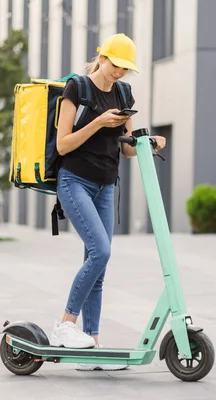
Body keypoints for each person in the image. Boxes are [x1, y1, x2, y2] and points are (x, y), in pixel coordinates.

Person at [48, 33, 167, 371]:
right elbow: (63, 146)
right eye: (117, 66)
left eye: (125, 69)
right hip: (75, 183)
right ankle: (65, 326)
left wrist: (149, 140)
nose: (119, 74)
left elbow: (127, 149)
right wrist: (100, 122)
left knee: (99, 267)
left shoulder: (124, 93)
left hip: (105, 188)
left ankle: (92, 347)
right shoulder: (77, 89)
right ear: (102, 58)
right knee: (101, 251)